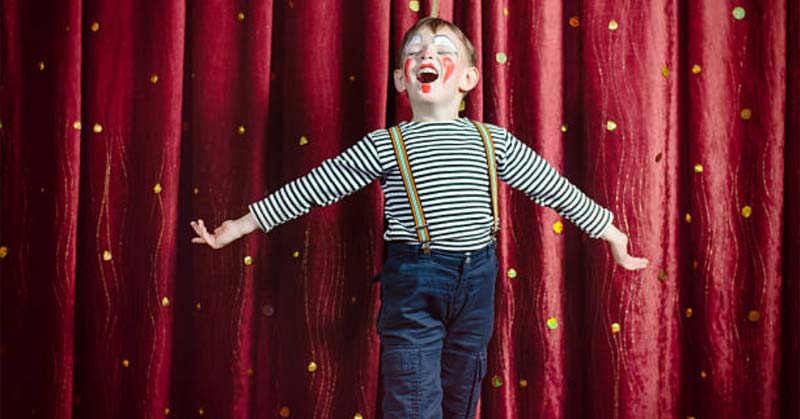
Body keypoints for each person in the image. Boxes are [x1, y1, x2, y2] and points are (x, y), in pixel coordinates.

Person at [191, 17, 648, 419]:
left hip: (477, 282)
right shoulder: (384, 145)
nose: (428, 54)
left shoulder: (495, 142)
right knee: (412, 399)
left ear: (468, 78)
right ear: (400, 79)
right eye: (416, 52)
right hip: (413, 281)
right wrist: (239, 226)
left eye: (443, 51)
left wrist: (612, 234)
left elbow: (556, 189)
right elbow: (312, 188)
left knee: (461, 392)